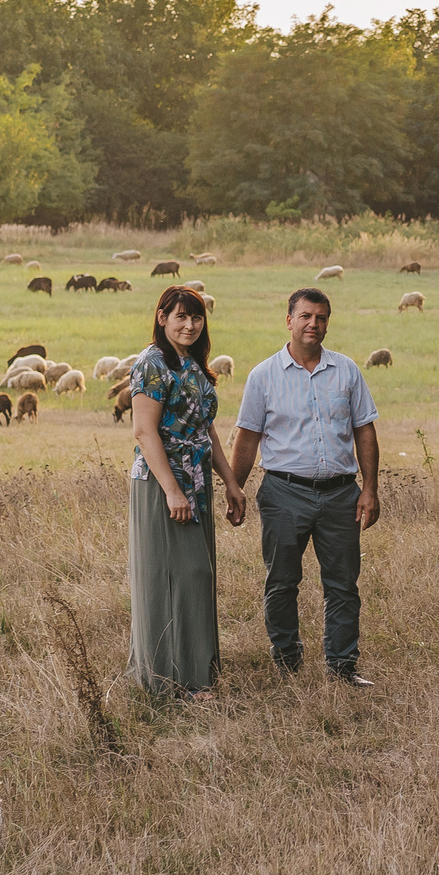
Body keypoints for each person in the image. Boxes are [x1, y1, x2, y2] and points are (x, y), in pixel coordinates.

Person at [229, 287, 380, 687]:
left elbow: (364, 430)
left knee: (343, 584)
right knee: (281, 582)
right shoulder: (263, 376)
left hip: (340, 494)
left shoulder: (347, 370)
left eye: (322, 317)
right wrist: (235, 488)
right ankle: (287, 662)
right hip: (284, 492)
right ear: (289, 320)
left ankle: (343, 666)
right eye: (306, 316)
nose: (314, 324)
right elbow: (247, 437)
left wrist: (370, 488)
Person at [126, 285, 248, 701]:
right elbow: (144, 431)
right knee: (175, 576)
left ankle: (195, 672)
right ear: (162, 318)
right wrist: (173, 491)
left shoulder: (191, 363)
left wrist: (230, 481)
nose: (190, 324)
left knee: (197, 576)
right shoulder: (152, 363)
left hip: (195, 481)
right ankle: (173, 680)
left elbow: (205, 428)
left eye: (196, 318)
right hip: (164, 484)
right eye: (180, 316)